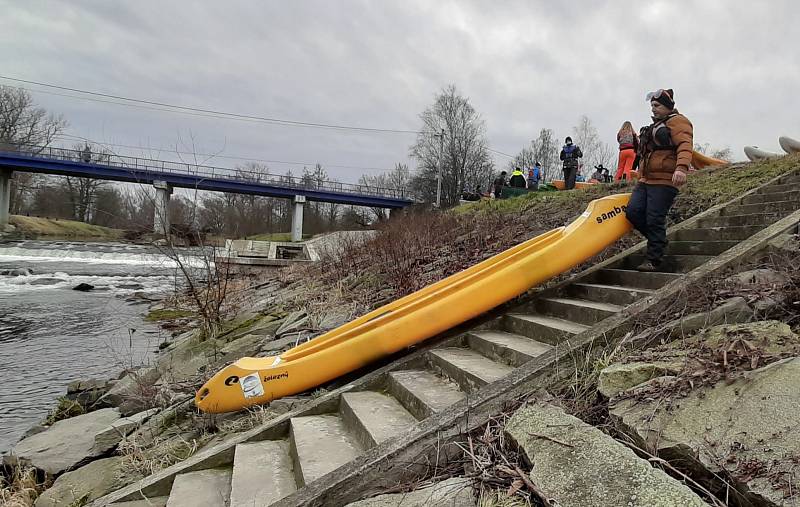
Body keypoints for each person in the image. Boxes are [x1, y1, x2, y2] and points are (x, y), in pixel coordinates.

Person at [626, 88, 693, 272]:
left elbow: (685, 146)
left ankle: (654, 259)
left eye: (656, 105)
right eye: (652, 105)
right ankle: (659, 241)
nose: (653, 109)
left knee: (654, 218)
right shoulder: (655, 125)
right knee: (633, 212)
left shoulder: (679, 122)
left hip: (665, 180)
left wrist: (681, 168)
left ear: (667, 106)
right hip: (646, 179)